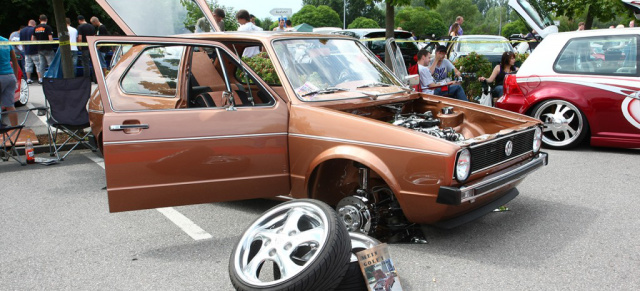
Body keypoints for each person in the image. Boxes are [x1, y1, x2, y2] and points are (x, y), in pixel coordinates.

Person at [0, 35, 20, 127]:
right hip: (9, 76)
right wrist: (15, 78)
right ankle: (15, 131)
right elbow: (14, 60)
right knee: (10, 105)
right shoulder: (5, 41)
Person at [32, 14, 54, 83]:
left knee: (42, 64)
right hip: (48, 48)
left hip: (40, 48)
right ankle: (51, 77)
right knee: (51, 63)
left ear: (39, 20)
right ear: (46, 20)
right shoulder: (47, 27)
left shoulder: (36, 28)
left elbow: (32, 39)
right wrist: (51, 43)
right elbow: (50, 38)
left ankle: (41, 78)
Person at [20, 20, 39, 84]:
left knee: (28, 65)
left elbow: (22, 42)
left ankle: (28, 79)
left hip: (27, 51)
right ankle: (40, 78)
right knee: (38, 65)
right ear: (34, 24)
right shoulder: (35, 29)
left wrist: (24, 49)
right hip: (35, 50)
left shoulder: (22, 31)